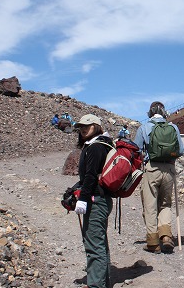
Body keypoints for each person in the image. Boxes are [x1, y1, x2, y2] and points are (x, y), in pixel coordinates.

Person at [133, 101, 184, 254]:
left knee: (150, 206)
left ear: (150, 112)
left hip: (151, 169)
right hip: (169, 169)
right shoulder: (173, 127)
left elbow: (136, 150)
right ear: (164, 112)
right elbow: (181, 150)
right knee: (165, 204)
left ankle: (153, 242)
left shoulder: (144, 127)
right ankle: (166, 236)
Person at [73, 114, 113, 288]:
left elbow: (90, 176)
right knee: (99, 242)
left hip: (95, 200)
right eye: (81, 126)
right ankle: (103, 282)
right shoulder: (102, 144)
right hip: (101, 199)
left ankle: (96, 285)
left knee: (94, 244)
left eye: (87, 126)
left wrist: (82, 199)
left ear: (96, 126)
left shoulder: (95, 147)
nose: (83, 129)